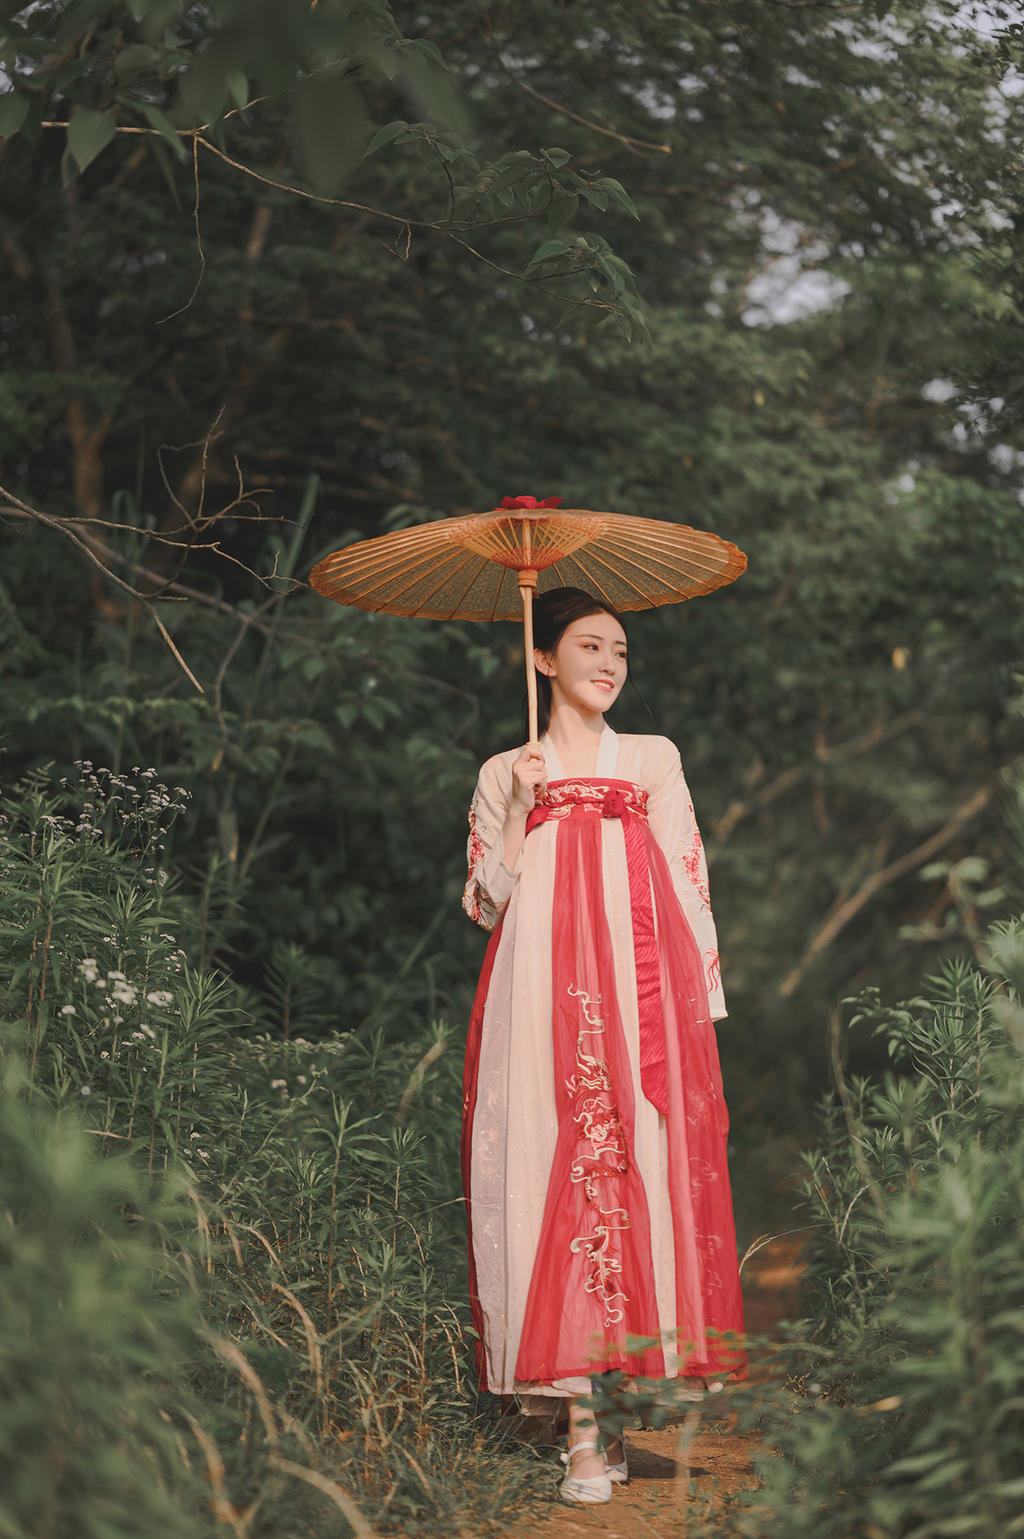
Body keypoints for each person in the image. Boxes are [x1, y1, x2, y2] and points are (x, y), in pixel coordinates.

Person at [460, 586, 745, 1505]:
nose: (610, 662)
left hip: (636, 994)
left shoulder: (653, 759)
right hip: (538, 995)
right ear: (544, 659)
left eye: (621, 648)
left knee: (635, 1174)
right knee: (554, 1166)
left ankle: (614, 1406)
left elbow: (689, 876)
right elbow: (482, 903)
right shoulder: (509, 766)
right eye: (589, 645)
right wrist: (518, 809)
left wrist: (698, 1011)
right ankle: (579, 1426)